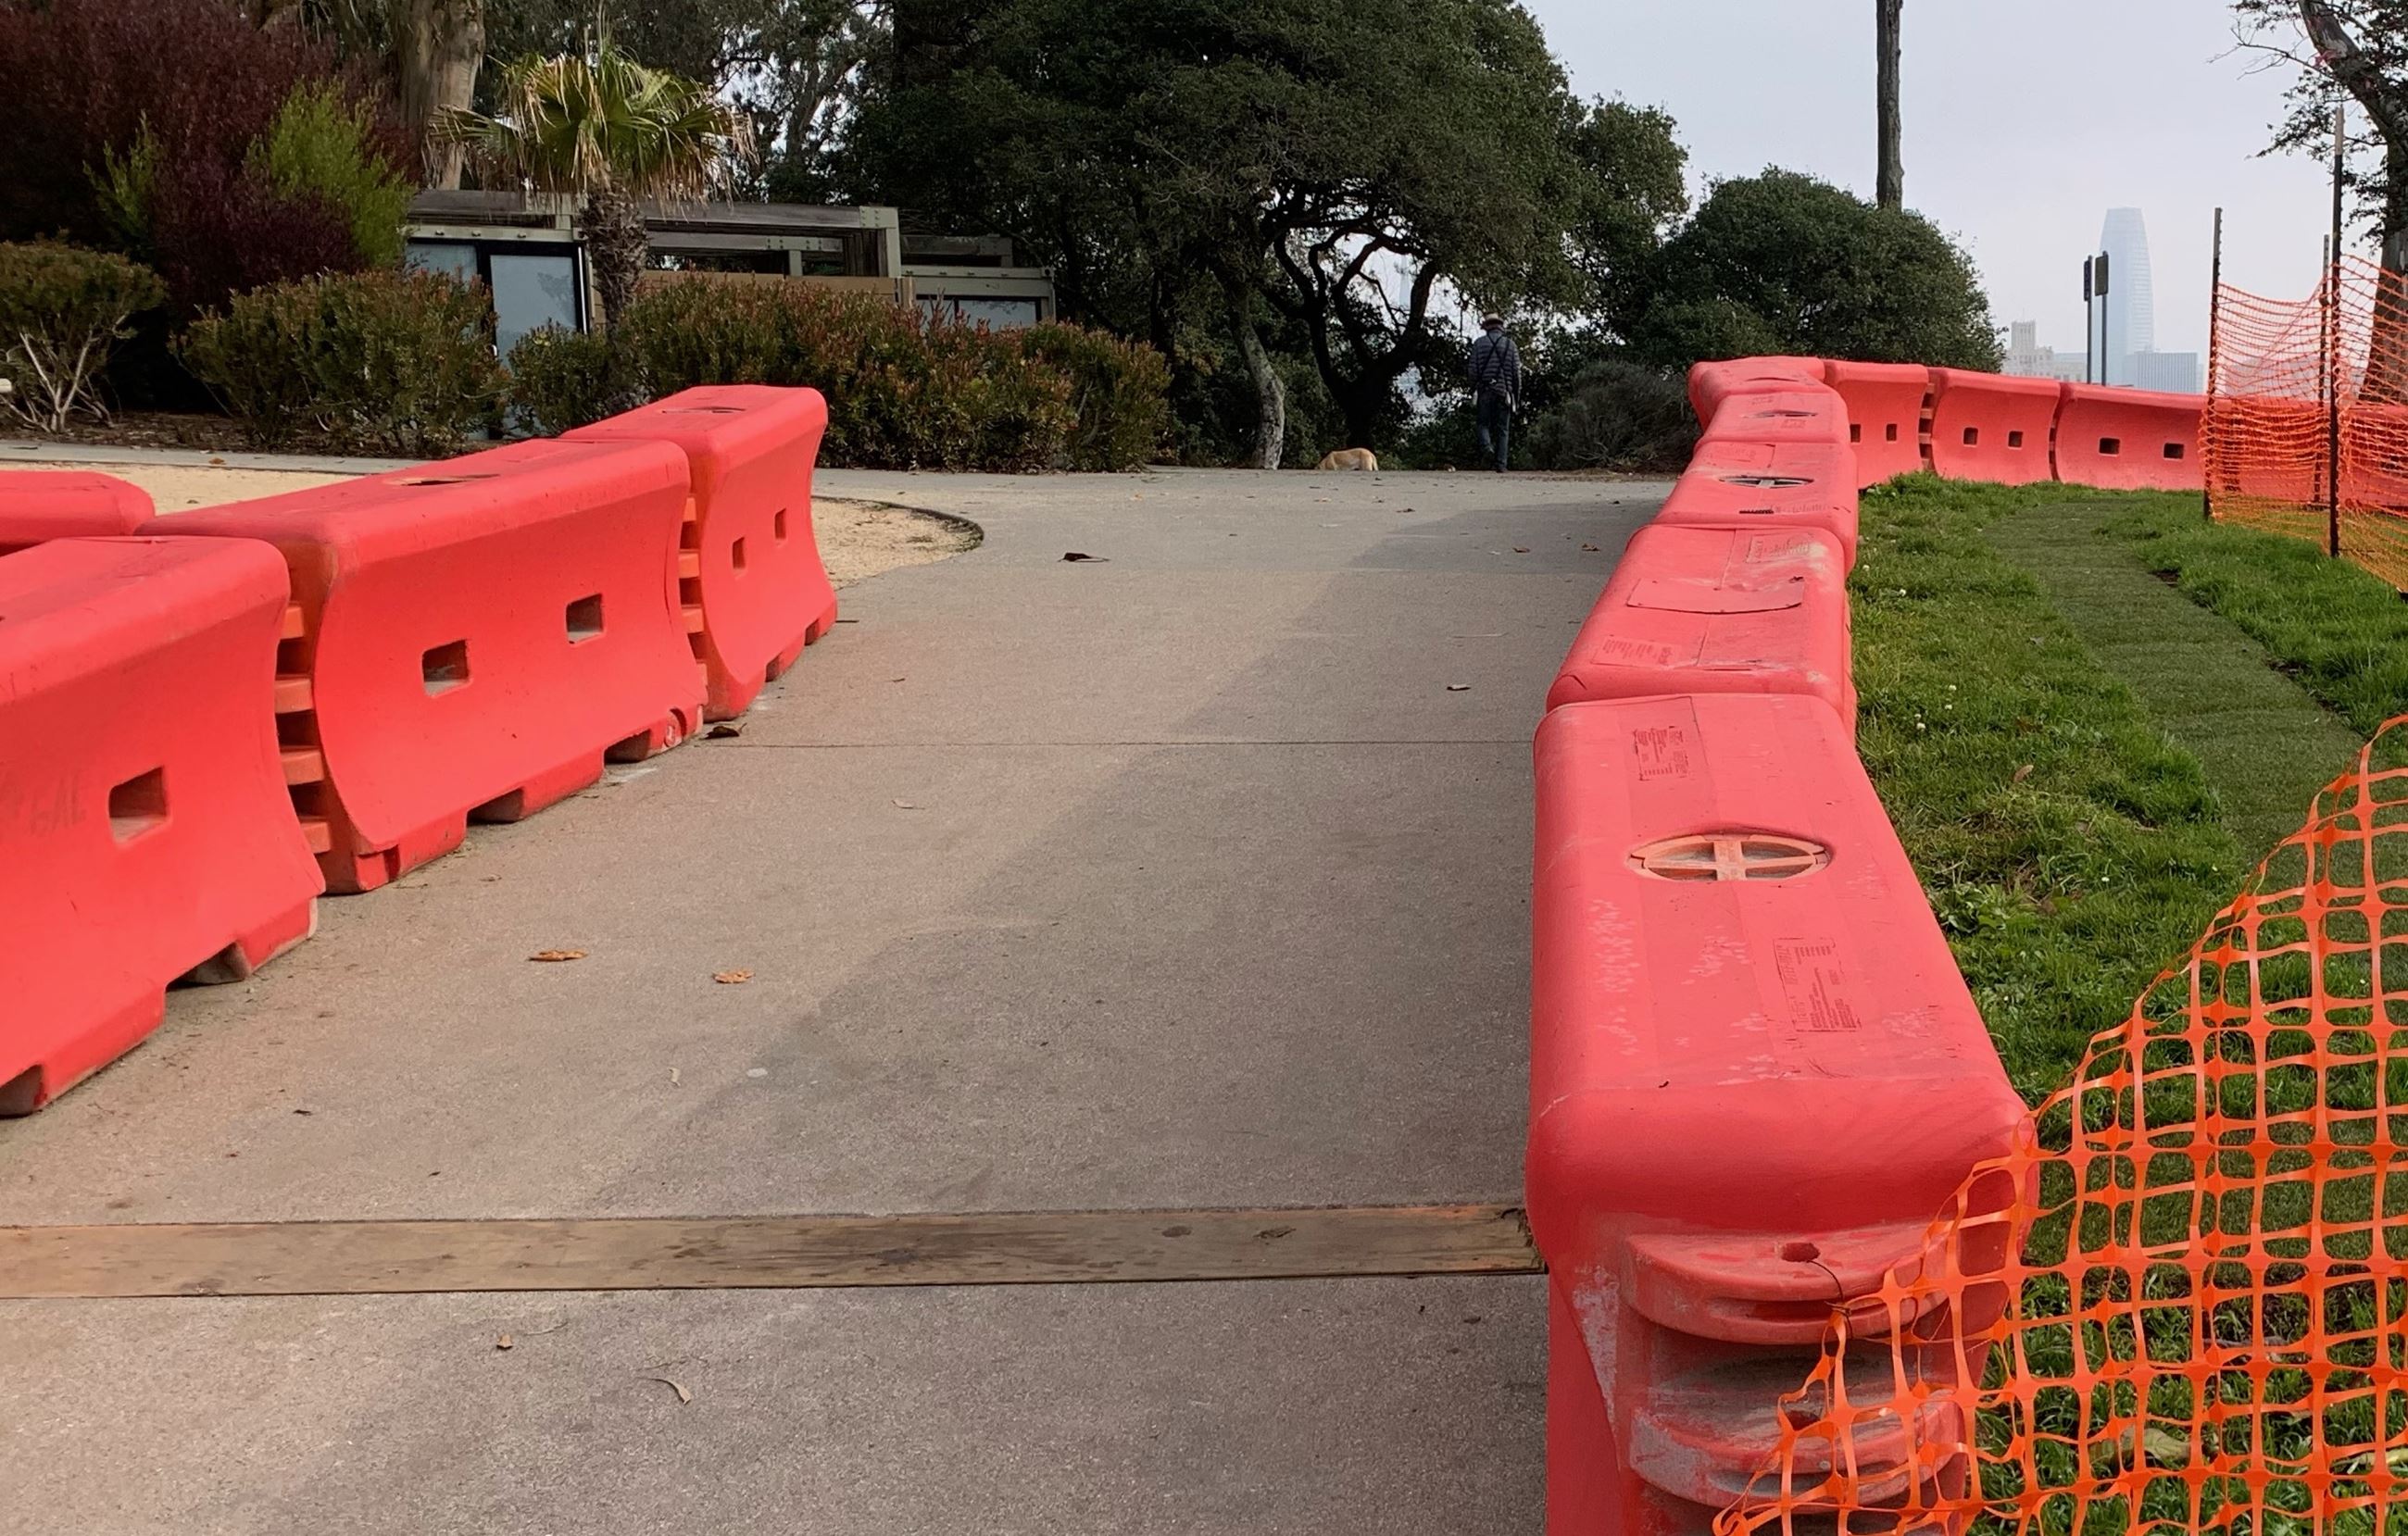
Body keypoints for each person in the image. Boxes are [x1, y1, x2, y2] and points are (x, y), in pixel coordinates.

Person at [1468, 311, 1522, 472]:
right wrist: (1516, 396)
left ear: (1486, 327)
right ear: (1500, 326)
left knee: (1483, 424)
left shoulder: (1479, 344)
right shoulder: (1510, 345)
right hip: (1504, 392)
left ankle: (1487, 448)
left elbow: (1472, 370)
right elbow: (1516, 373)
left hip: (1484, 390)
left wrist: (1473, 388)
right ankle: (1501, 465)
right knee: (1503, 429)